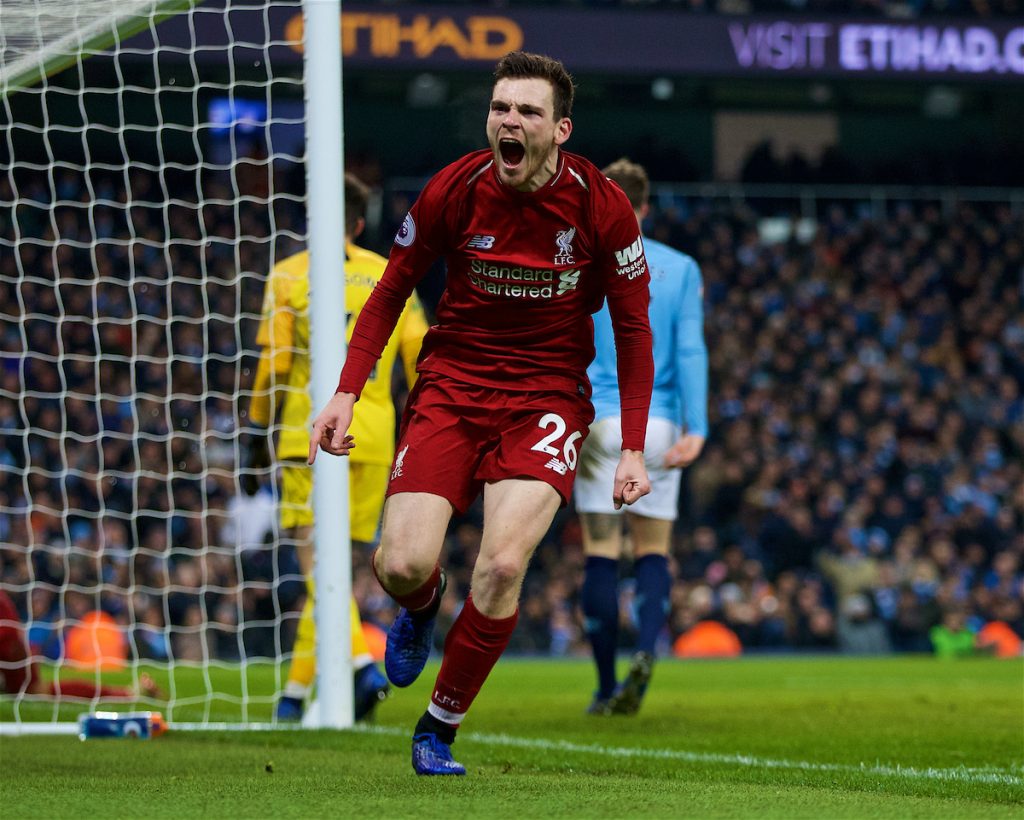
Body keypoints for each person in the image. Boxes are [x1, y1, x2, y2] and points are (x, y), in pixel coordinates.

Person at [309, 51, 655, 776]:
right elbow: (391, 288)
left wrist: (629, 446)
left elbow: (632, 327)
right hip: (453, 387)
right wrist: (345, 387)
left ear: (560, 129)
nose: (510, 121)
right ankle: (422, 604)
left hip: (547, 397)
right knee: (402, 564)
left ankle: (437, 728)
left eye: (528, 112)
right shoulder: (455, 188)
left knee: (501, 563)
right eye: (501, 108)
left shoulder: (601, 205)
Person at [245, 172, 427, 723]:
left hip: (312, 435)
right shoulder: (386, 274)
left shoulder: (288, 276)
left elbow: (273, 368)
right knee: (333, 576)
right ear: (357, 222)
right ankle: (293, 698)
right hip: (375, 436)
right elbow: (421, 354)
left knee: (314, 568)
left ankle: (360, 665)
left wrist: (256, 436)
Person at [575, 158, 708, 716]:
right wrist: (697, 426)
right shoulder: (680, 268)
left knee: (601, 550)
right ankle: (646, 652)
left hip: (599, 421)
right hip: (659, 424)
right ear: (646, 208)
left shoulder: (582, 262)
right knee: (654, 551)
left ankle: (606, 686)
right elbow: (689, 349)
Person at [0, 590, 162, 700]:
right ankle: (127, 694)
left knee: (34, 690)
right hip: (10, 631)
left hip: (8, 636)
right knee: (35, 690)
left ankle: (127, 694)